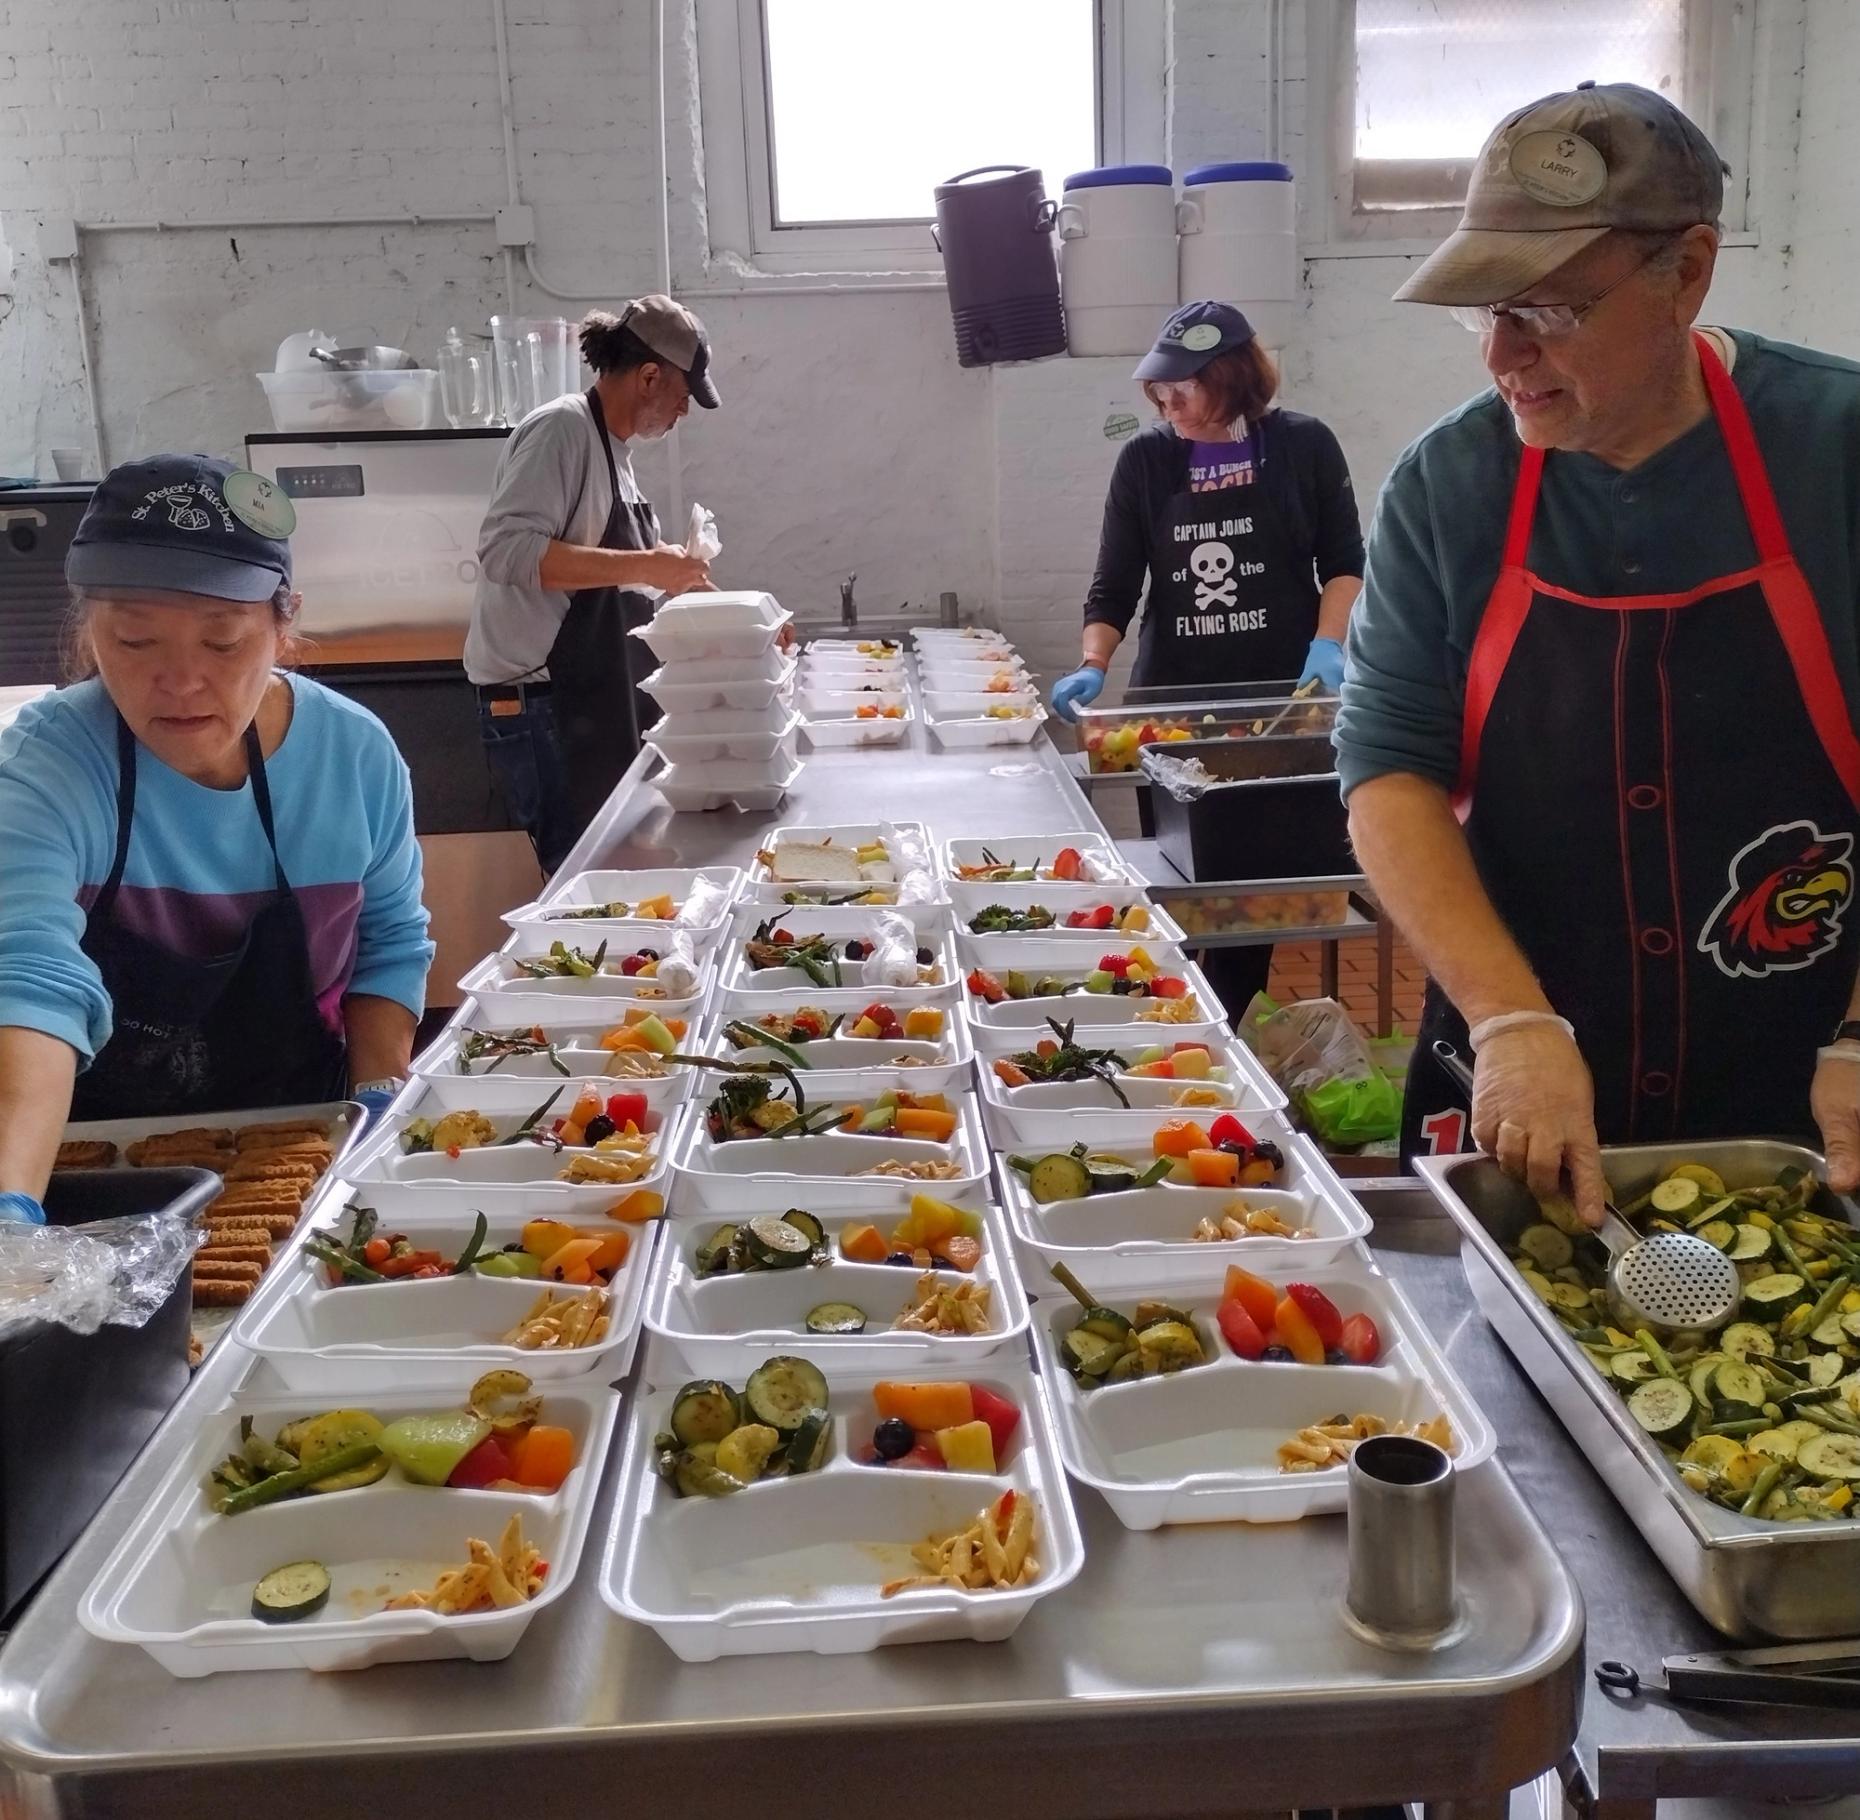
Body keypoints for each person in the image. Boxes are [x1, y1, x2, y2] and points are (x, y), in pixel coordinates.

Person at [1336, 80, 1860, 1224]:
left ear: (1690, 269)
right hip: (1524, 1074)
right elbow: (1388, 772)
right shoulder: (1450, 487)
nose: (1503, 356)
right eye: (1484, 310)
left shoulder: (1837, 453)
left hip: (1812, 1082)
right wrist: (1509, 1018)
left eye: (1552, 309)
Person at [0, 454, 434, 1224]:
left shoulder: (353, 758)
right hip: (94, 1162)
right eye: (134, 642)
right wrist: (9, 1206)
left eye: (223, 642)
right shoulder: (47, 768)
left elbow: (389, 943)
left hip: (299, 1143)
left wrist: (376, 1108)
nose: (181, 680)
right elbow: (27, 981)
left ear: (282, 622)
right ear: (89, 632)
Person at [1049, 299, 1366, 1012]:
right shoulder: (1148, 459)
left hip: (1275, 711)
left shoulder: (1304, 447)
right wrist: (1095, 663)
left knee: (1250, 899)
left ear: (1231, 377)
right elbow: (1114, 585)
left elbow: (1345, 560)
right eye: (1159, 394)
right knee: (1177, 881)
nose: (1169, 406)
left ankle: (1229, 1028)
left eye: (1183, 390)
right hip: (1170, 709)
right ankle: (1170, 1023)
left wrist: (1329, 642)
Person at [467, 296, 719, 875]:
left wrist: (747, 621)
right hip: (538, 705)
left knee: (610, 874)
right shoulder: (562, 430)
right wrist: (646, 565)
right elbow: (505, 551)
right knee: (579, 882)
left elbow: (636, 578)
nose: (684, 412)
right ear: (650, 376)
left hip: (585, 700)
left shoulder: (615, 454)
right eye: (684, 396)